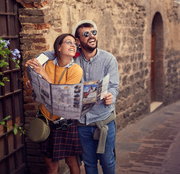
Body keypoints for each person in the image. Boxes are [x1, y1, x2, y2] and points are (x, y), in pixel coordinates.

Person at [38, 20, 119, 174]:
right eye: (86, 34)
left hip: (104, 120)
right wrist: (37, 60)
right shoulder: (73, 58)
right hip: (81, 123)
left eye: (94, 32)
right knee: (88, 163)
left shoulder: (108, 59)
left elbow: (114, 86)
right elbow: (51, 54)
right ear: (78, 40)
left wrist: (111, 96)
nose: (92, 36)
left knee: (107, 161)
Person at [26, 34, 83, 174]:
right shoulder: (46, 64)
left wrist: (44, 75)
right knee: (51, 166)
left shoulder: (76, 70)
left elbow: (62, 96)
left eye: (74, 43)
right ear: (59, 47)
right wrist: (29, 84)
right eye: (68, 42)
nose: (73, 45)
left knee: (72, 162)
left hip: (65, 121)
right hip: (46, 119)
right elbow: (31, 87)